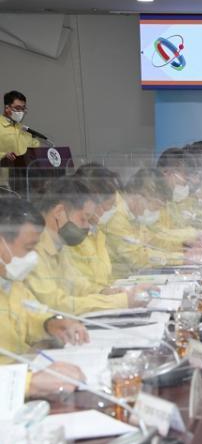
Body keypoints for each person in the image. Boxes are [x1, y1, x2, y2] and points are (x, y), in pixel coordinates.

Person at [0, 196, 89, 396]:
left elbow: (28, 314)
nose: (34, 257)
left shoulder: (9, 281)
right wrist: (28, 384)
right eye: (29, 248)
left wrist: (51, 323)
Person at [25, 177, 145, 315]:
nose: (87, 226)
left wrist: (104, 292)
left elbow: (77, 285)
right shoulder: (30, 248)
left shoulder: (57, 244)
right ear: (59, 213)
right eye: (84, 218)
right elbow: (56, 305)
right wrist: (121, 301)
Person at [67, 163, 120, 290]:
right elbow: (79, 288)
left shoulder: (96, 232)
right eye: (110, 204)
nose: (112, 209)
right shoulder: (71, 236)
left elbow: (105, 277)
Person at [0, 91, 40, 161]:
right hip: (4, 167)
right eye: (18, 108)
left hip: (24, 168)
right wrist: (3, 155)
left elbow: (36, 151)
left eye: (23, 108)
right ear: (7, 108)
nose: (21, 112)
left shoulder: (25, 131)